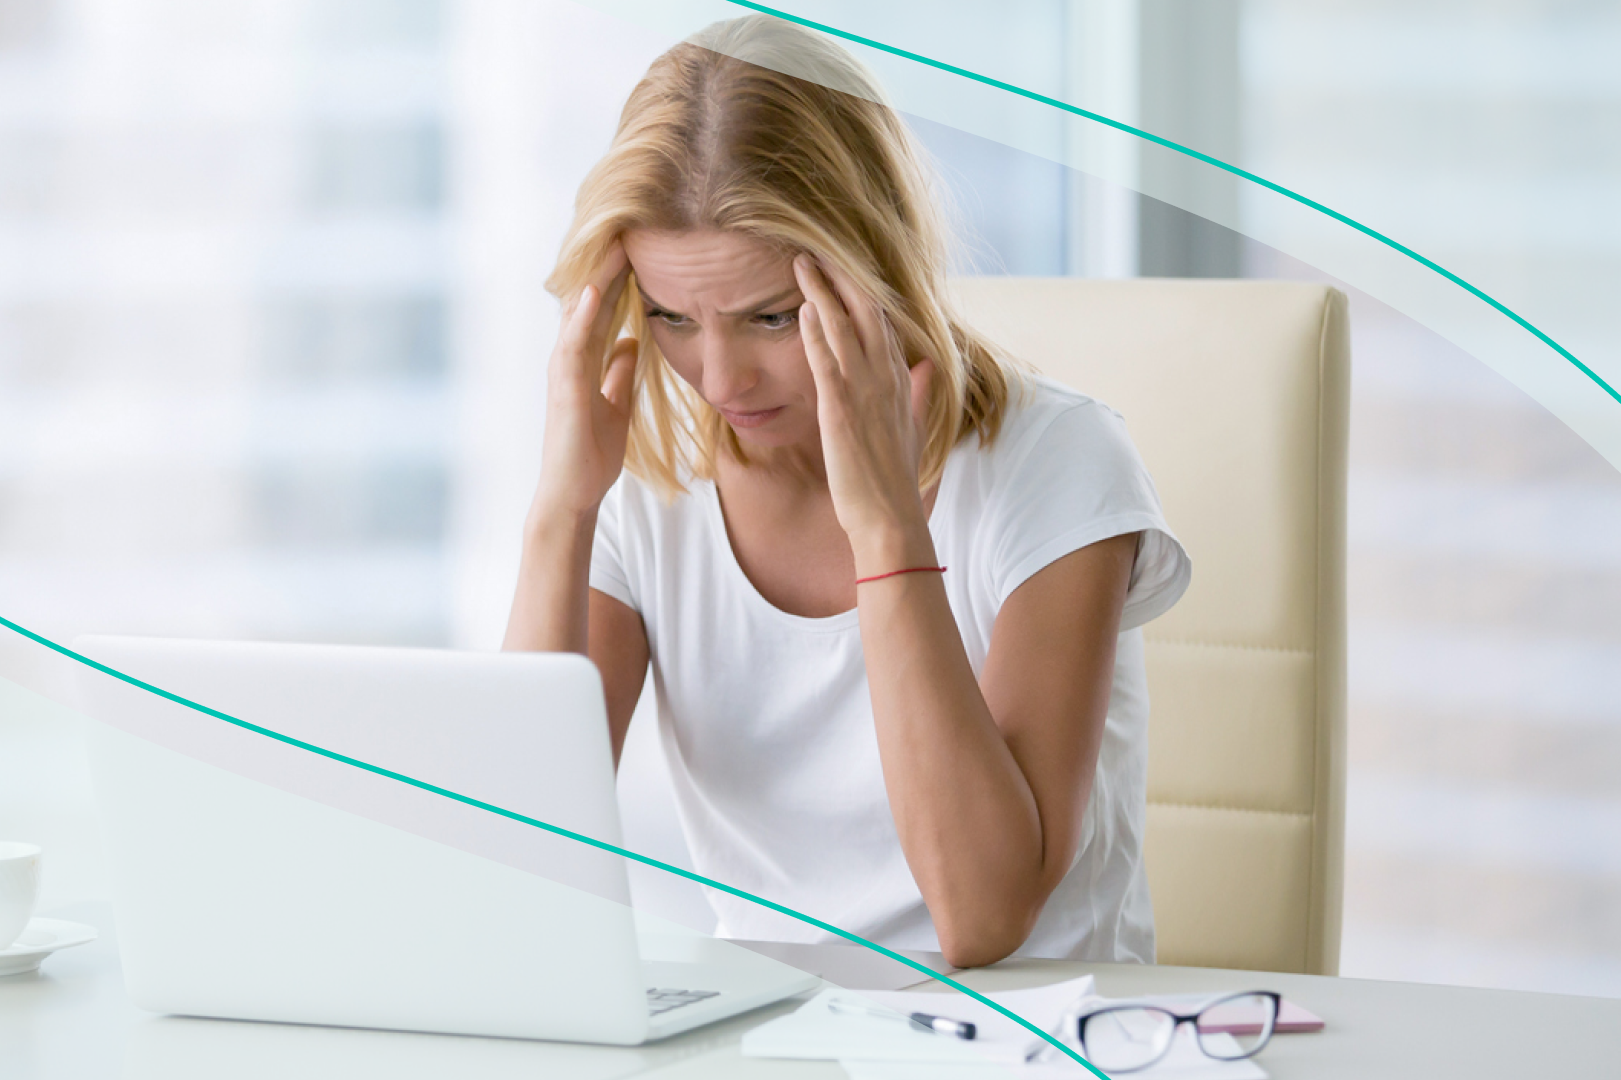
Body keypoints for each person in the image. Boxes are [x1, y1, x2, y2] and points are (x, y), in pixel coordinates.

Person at [502, 15, 1190, 968]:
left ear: (872, 270)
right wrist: (561, 512)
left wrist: (884, 525)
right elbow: (515, 869)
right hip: (769, 1036)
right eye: (670, 316)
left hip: (1027, 1040)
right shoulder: (647, 496)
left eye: (769, 317)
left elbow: (982, 919)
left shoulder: (1057, 464)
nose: (720, 378)